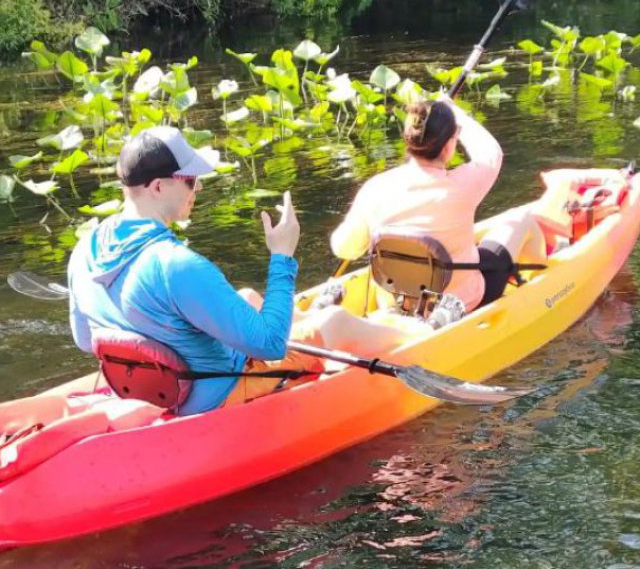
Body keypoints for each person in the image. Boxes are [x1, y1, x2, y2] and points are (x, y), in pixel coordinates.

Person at [68, 126, 322, 416]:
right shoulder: (177, 265)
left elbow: (85, 340)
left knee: (248, 296)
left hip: (145, 392)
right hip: (211, 397)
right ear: (158, 187)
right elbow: (272, 345)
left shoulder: (84, 249)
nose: (198, 187)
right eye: (189, 180)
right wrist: (282, 255)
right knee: (330, 327)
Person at [330, 98, 547, 313]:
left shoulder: (375, 188)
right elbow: (491, 154)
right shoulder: (463, 185)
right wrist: (455, 111)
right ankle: (547, 287)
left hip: (396, 302)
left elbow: (344, 248)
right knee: (521, 219)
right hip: (460, 302)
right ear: (448, 145)